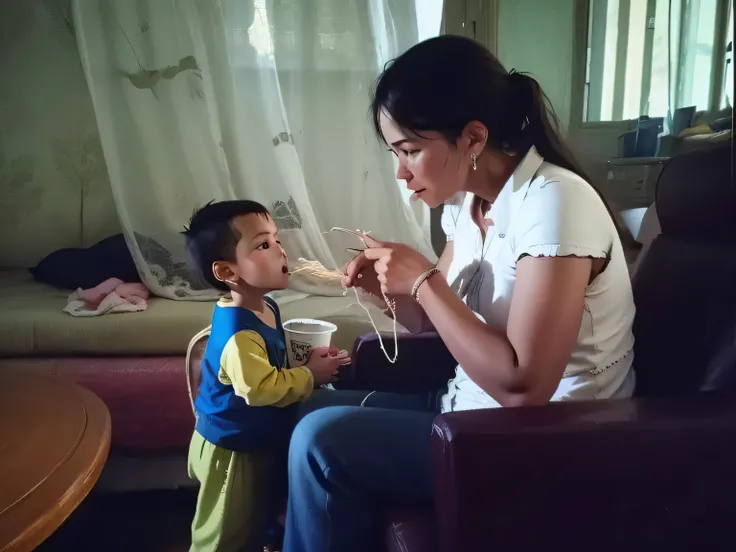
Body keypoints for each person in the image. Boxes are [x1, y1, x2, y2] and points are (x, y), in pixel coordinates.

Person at [282, 35, 636, 552]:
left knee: (321, 441)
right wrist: (391, 288)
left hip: (547, 439)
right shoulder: (468, 208)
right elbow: (431, 322)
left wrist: (424, 280)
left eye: (411, 150)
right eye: (395, 153)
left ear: (473, 137)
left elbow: (524, 387)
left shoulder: (555, 203)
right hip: (465, 411)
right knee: (301, 408)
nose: (401, 172)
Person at [183, 200, 350, 552]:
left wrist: (305, 362)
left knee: (258, 518)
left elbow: (271, 365)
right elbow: (259, 388)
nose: (279, 249)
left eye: (276, 239)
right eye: (263, 245)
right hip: (232, 450)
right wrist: (309, 374)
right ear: (228, 272)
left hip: (255, 439)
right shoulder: (238, 335)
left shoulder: (267, 306)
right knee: (224, 533)